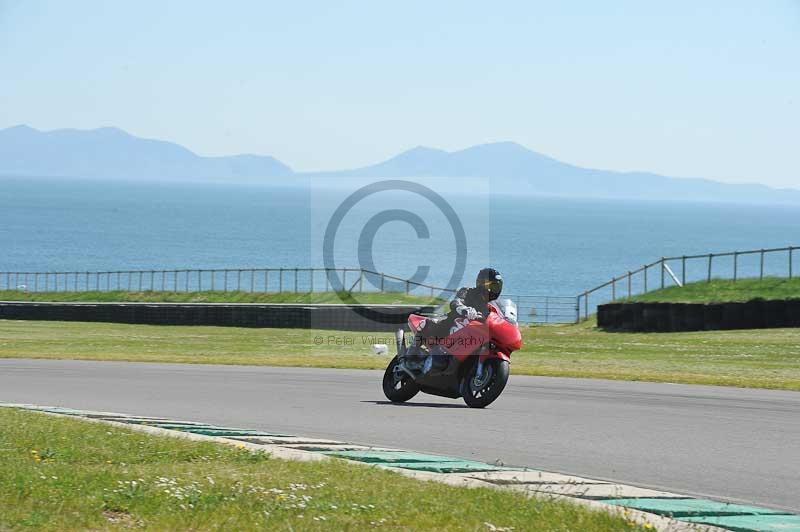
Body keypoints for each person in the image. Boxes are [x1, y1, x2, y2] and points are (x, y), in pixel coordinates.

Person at [415, 267, 504, 347]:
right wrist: (463, 309)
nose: (493, 290)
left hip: (476, 334)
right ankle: (412, 352)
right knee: (429, 324)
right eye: (491, 286)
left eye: (496, 287)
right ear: (481, 283)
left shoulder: (494, 304)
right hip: (454, 325)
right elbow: (456, 301)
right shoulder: (467, 291)